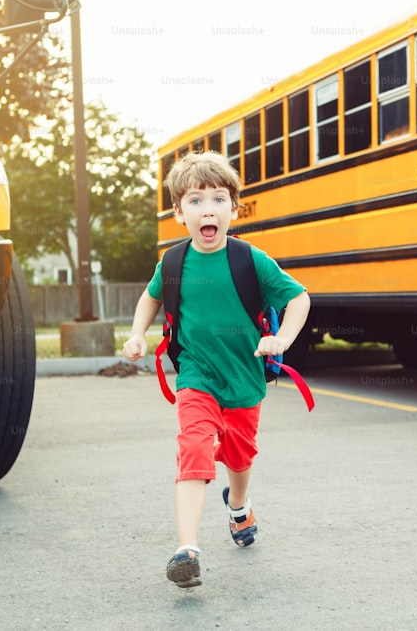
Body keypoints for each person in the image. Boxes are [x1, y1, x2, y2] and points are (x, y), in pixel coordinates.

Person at [122, 151, 310, 589]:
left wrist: (282, 340)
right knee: (194, 448)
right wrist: (137, 333)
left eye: (219, 199)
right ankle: (187, 550)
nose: (208, 208)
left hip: (244, 379)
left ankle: (238, 504)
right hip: (196, 376)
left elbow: (298, 297)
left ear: (234, 209)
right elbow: (151, 298)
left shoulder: (250, 260)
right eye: (195, 200)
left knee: (240, 456)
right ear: (178, 213)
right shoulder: (172, 263)